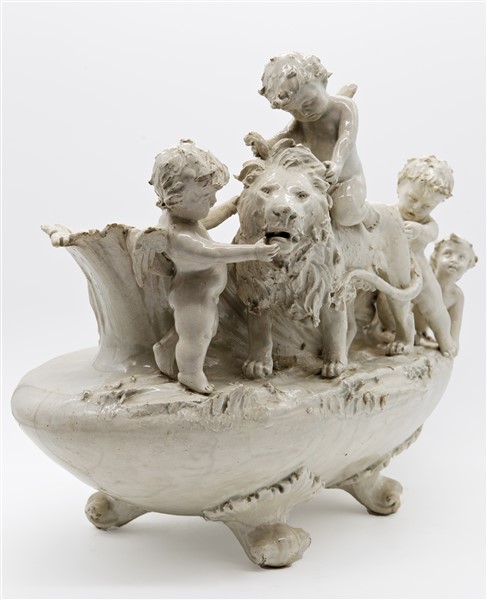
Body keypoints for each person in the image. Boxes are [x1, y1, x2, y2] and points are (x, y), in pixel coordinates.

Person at [134, 140, 278, 394]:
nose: (213, 200)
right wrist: (254, 252)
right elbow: (214, 252)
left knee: (205, 331)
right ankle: (190, 374)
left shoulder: (185, 218)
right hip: (193, 297)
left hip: (205, 295)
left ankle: (165, 351)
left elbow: (207, 220)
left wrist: (230, 207)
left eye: (214, 194)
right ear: (175, 199)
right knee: (197, 337)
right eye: (205, 197)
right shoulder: (178, 236)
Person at [245, 52, 379, 230]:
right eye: (294, 111)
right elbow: (286, 136)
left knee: (346, 214)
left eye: (309, 103)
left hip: (347, 180)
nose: (304, 113)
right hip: (318, 183)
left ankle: (368, 212)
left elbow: (346, 139)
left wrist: (337, 163)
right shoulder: (302, 122)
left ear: (323, 82)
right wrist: (265, 145)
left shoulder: (344, 107)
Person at [394, 156, 457, 356]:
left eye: (426, 206)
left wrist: (419, 231)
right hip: (390, 274)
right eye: (412, 199)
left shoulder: (426, 223)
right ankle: (400, 335)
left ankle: (444, 337)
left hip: (418, 271)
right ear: (399, 186)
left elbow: (431, 233)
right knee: (389, 309)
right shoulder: (387, 213)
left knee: (434, 307)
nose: (416, 208)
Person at [418, 234, 477, 351]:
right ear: (435, 258)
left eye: (461, 258)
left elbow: (453, 343)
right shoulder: (422, 281)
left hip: (420, 336)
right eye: (447, 254)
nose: (454, 260)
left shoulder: (456, 296)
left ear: (467, 266)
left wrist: (448, 347)